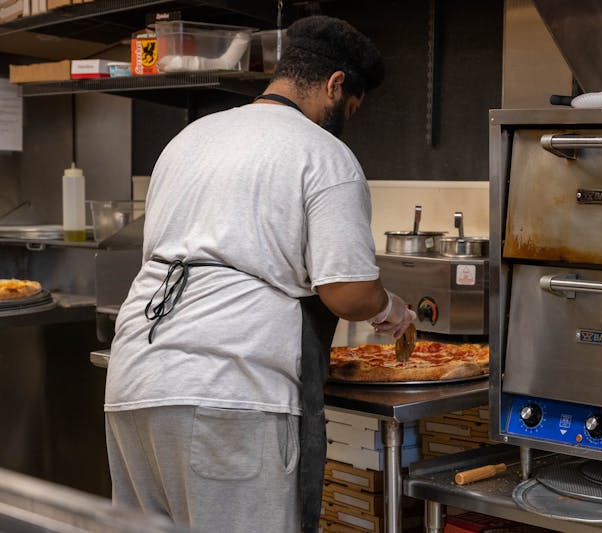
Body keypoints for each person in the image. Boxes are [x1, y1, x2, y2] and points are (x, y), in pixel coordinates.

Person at [104, 15, 414, 533]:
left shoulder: (190, 139)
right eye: (351, 109)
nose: (345, 121)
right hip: (230, 393)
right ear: (337, 84)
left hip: (135, 380)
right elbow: (348, 291)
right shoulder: (324, 154)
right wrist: (393, 312)